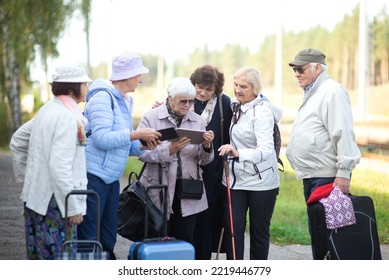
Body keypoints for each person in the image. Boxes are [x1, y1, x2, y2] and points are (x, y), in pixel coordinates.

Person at [78, 51, 161, 259]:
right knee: (89, 236)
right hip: (94, 176)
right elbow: (103, 138)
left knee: (108, 237)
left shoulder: (125, 100)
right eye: (138, 75)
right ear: (128, 75)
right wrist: (137, 134)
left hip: (111, 178)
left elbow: (123, 142)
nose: (141, 80)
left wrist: (143, 145)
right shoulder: (102, 98)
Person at [10, 63, 92, 259]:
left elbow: (17, 141)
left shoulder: (48, 109)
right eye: (85, 84)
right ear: (73, 87)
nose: (87, 88)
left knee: (39, 258)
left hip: (37, 198)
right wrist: (73, 207)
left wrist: (27, 179)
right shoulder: (66, 117)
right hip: (57, 203)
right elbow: (60, 167)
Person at [286, 48, 361, 258]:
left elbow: (342, 133)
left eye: (300, 69)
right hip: (313, 176)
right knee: (319, 233)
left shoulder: (332, 91)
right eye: (295, 70)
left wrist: (344, 172)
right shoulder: (314, 92)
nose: (297, 74)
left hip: (327, 178)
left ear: (317, 67)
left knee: (330, 236)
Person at [137, 77, 215, 244]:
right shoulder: (151, 117)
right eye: (182, 101)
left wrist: (207, 146)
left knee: (184, 240)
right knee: (156, 239)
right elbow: (140, 152)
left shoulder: (197, 120)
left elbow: (204, 159)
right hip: (158, 188)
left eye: (190, 101)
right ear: (170, 97)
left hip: (188, 190)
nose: (187, 105)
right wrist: (170, 149)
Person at [218, 66, 282, 260]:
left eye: (243, 86)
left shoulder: (262, 113)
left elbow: (266, 150)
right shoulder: (236, 106)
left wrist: (238, 153)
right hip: (236, 180)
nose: (237, 90)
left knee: (258, 232)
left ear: (255, 88)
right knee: (233, 229)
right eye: (236, 85)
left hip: (262, 183)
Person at [189, 65, 233, 260]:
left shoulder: (223, 103)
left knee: (206, 219)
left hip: (212, 172)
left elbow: (229, 136)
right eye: (200, 87)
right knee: (186, 217)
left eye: (209, 89)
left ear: (216, 89)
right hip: (186, 168)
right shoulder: (186, 99)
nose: (203, 93)